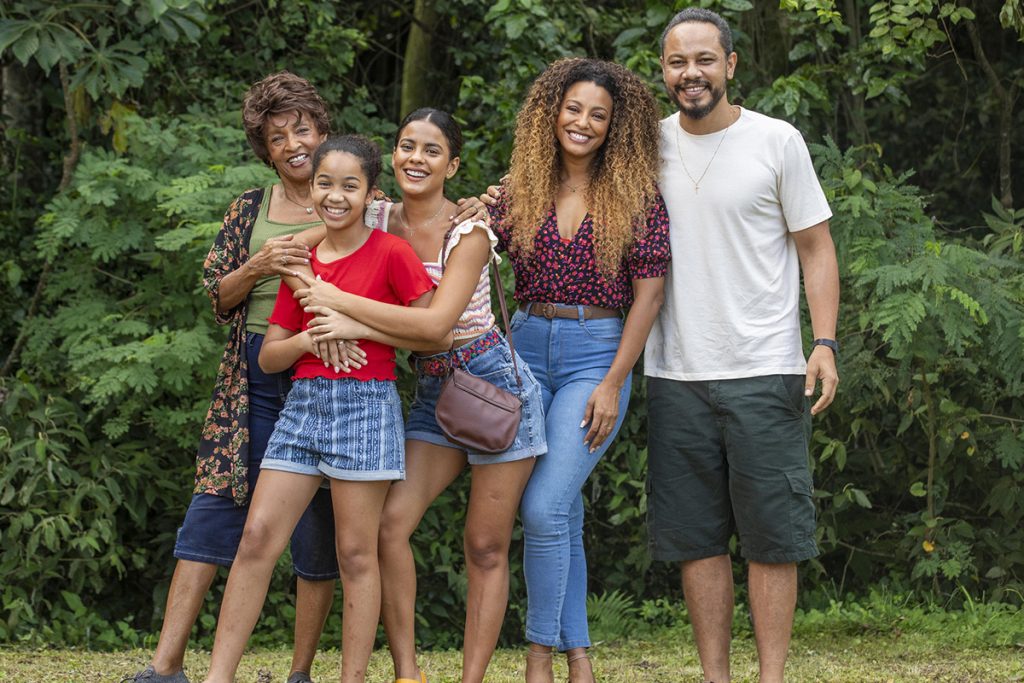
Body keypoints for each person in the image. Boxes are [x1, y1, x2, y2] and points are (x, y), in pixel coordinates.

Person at [293, 107, 547, 683]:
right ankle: (409, 671)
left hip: (493, 384)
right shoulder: (375, 216)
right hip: (435, 387)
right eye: (408, 145)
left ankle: (471, 678)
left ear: (452, 164)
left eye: (432, 150)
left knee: (484, 545)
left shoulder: (472, 232)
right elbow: (294, 251)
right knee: (390, 527)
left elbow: (435, 326)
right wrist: (308, 286)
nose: (416, 158)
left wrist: (344, 314)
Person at [644, 8, 840, 683]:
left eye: (703, 59)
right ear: (663, 71)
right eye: (676, 62)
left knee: (771, 536)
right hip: (674, 370)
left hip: (766, 367)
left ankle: (772, 676)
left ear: (731, 64)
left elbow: (815, 247)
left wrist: (824, 341)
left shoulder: (777, 141)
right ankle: (715, 676)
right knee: (696, 540)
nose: (690, 73)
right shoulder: (646, 145)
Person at [123, 71, 339, 683]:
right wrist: (259, 264)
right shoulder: (249, 207)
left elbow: (404, 227)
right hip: (248, 377)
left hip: (323, 371)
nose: (294, 143)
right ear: (264, 150)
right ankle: (165, 667)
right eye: (277, 137)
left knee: (316, 526)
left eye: (302, 128)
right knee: (212, 509)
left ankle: (300, 673)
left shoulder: (352, 196)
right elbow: (217, 295)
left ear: (323, 130)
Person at [199, 135, 439, 683]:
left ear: (370, 193)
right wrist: (311, 340)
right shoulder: (302, 264)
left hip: (366, 406)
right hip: (302, 408)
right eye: (325, 184)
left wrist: (358, 323)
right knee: (258, 538)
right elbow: (269, 356)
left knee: (356, 555)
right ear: (313, 191)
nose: (335, 196)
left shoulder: (391, 254)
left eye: (349, 186)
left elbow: (431, 335)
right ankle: (217, 676)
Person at [481, 58, 670, 682]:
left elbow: (649, 295)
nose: (583, 122)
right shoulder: (518, 188)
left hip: (596, 350)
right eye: (573, 108)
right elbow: (464, 244)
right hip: (524, 349)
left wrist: (614, 382)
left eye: (599, 114)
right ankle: (580, 657)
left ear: (616, 126)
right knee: (561, 513)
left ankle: (539, 655)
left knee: (541, 508)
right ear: (551, 112)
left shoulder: (637, 196)